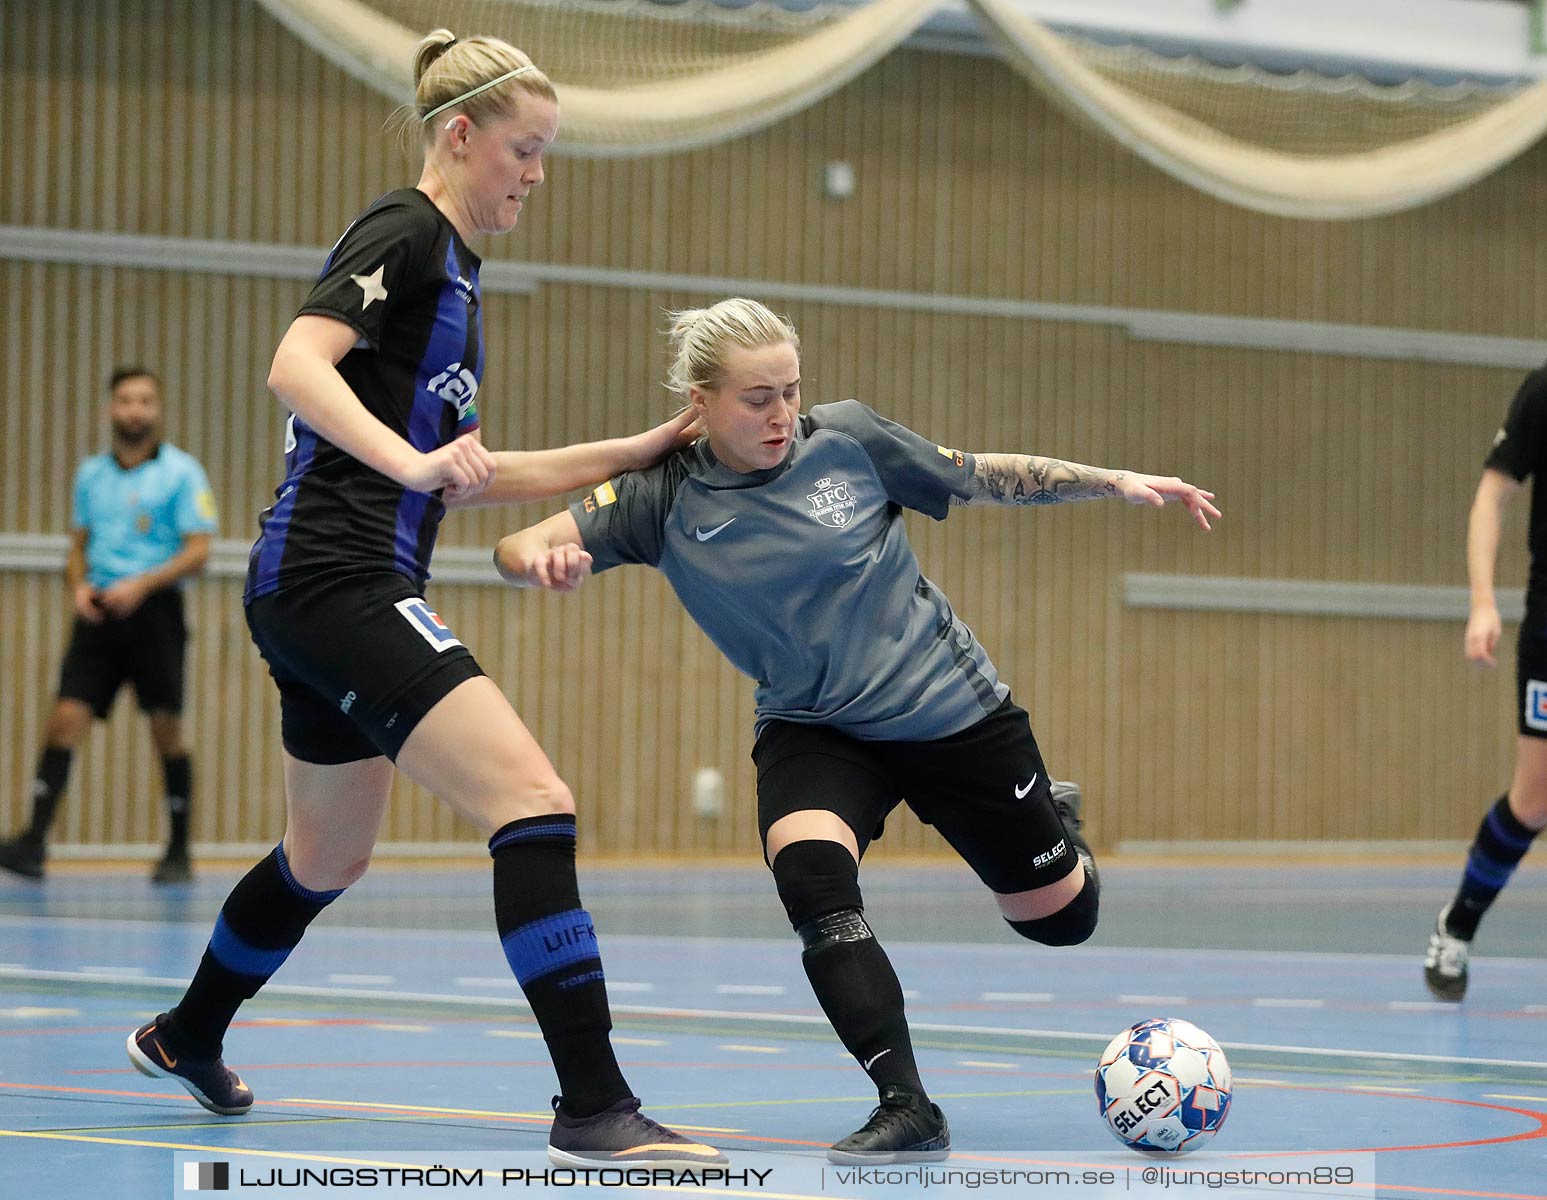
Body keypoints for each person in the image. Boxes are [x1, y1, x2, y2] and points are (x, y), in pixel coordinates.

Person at [122, 30, 726, 1169]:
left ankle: (188, 1032)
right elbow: (295, 366)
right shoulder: (404, 231)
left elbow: (478, 469)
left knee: (325, 855)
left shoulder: (459, 276)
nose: (535, 176)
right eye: (523, 151)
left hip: (322, 590)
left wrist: (639, 450)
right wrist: (406, 465)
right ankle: (594, 1105)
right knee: (532, 801)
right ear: (460, 135)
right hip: (334, 580)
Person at [495, 297, 1220, 1162]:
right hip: (814, 728)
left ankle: (1058, 828)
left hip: (951, 715)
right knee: (810, 880)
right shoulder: (661, 496)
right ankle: (905, 1103)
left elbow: (980, 472)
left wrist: (1112, 480)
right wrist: (543, 560)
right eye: (755, 397)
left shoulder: (846, 440)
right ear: (699, 402)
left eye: (790, 391)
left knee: (1058, 921)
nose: (779, 414)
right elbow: (516, 543)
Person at [0, 367, 217, 884]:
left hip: (155, 613)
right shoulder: (91, 474)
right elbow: (77, 547)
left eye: (145, 400)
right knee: (64, 719)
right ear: (111, 409)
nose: (135, 410)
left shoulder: (183, 473)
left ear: (157, 410)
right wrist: (79, 586)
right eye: (125, 400)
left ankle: (178, 849)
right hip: (98, 615)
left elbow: (200, 550)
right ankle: (33, 840)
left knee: (166, 727)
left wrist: (142, 585)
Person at [1424, 368, 1547, 1001]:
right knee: (1534, 800)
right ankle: (1458, 924)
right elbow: (1491, 496)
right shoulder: (1542, 390)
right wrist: (1482, 602)